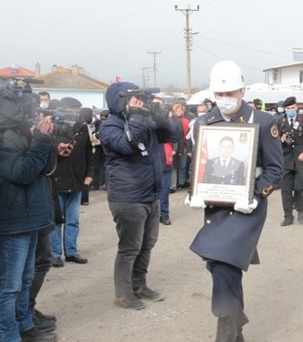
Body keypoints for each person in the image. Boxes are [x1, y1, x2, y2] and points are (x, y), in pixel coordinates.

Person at [188, 60, 283, 341]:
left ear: (242, 91)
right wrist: (195, 192)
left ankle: (225, 331)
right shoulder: (203, 122)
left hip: (247, 206)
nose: (225, 100)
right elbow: (200, 165)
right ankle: (236, 324)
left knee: (222, 260)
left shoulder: (263, 122)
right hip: (216, 205)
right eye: (220, 94)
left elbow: (276, 170)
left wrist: (255, 196)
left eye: (231, 94)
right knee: (219, 264)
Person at [99, 82, 178, 310]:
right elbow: (127, 145)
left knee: (147, 244)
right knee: (129, 247)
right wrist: (135, 117)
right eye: (133, 99)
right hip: (127, 197)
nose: (139, 102)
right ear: (119, 101)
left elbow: (171, 135)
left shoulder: (144, 120)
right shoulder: (109, 126)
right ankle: (123, 294)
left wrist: (159, 115)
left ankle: (139, 285)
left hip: (150, 193)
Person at [1, 82, 64, 342]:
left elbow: (45, 168)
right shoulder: (4, 136)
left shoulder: (24, 133)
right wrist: (40, 141)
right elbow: (23, 173)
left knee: (25, 280)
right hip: (12, 220)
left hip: (31, 217)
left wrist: (47, 141)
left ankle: (25, 326)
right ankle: (8, 334)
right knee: (9, 286)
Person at [50, 97, 94, 267]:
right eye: (73, 110)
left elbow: (90, 153)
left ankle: (71, 252)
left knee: (73, 220)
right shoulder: (54, 128)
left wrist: (90, 174)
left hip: (77, 181)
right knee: (56, 221)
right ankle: (55, 254)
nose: (75, 113)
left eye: (77, 110)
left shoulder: (83, 128)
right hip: (57, 180)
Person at [279, 96, 303, 226]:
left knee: (300, 188)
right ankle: (288, 216)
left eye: (293, 108)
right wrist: (282, 139)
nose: (291, 110)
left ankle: (301, 211)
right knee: (286, 190)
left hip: (301, 160)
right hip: (286, 160)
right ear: (284, 109)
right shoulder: (279, 120)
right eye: (288, 108)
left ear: (296, 107)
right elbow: (273, 141)